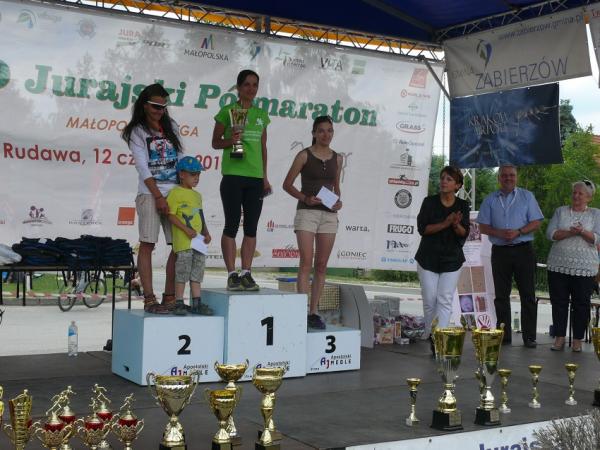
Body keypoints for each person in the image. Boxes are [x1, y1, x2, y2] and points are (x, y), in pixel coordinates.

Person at [122, 83, 183, 314]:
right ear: (145, 105)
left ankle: (170, 296)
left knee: (179, 245)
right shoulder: (137, 131)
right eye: (156, 106)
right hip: (149, 193)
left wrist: (183, 191)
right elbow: (142, 167)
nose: (160, 111)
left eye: (164, 106)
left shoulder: (171, 125)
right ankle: (149, 298)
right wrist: (158, 196)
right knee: (147, 243)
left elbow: (181, 157)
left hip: (174, 191)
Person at [211, 70, 271, 291]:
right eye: (246, 84)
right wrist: (231, 140)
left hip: (255, 177)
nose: (251, 89)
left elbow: (263, 147)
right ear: (238, 87)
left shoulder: (261, 115)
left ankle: (246, 272)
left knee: (251, 227)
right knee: (232, 224)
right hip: (233, 175)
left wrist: (265, 177)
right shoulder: (228, 111)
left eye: (255, 85)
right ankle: (231, 274)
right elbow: (215, 142)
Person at [282, 116, 343, 330]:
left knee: (322, 264)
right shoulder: (304, 155)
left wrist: (338, 202)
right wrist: (305, 198)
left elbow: (336, 186)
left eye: (330, 130)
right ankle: (301, 310)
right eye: (322, 131)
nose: (326, 134)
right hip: (307, 212)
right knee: (306, 261)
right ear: (314, 133)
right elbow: (287, 184)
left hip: (329, 215)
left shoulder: (338, 158)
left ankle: (314, 312)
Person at [477, 164, 543, 348]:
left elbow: (536, 222)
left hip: (523, 250)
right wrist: (499, 233)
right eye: (504, 175)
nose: (508, 178)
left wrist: (519, 232)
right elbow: (482, 227)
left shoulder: (527, 196)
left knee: (528, 295)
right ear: (499, 178)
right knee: (501, 296)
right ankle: (504, 335)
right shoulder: (490, 199)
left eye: (511, 175)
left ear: (516, 177)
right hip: (500, 252)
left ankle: (529, 337)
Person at [415, 166, 469, 348]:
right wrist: (446, 223)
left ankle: (439, 340)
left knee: (445, 299)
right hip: (428, 258)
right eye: (443, 178)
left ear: (457, 185)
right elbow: (423, 229)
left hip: (452, 259)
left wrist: (455, 225)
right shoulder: (429, 202)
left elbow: (464, 233)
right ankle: (431, 331)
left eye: (449, 179)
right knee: (430, 299)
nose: (444, 181)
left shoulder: (462, 205)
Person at [546, 180, 600, 352]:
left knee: (581, 304)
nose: (576, 196)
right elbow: (550, 234)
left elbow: (597, 238)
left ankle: (577, 340)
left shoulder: (595, 214)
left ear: (589, 197)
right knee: (558, 302)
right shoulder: (560, 211)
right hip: (558, 265)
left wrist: (582, 231)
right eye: (574, 192)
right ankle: (559, 338)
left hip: (585, 268)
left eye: (580, 193)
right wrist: (570, 232)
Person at [166, 156, 213, 316]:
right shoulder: (175, 193)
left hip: (198, 241)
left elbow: (200, 215)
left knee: (197, 271)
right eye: (193, 174)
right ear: (182, 174)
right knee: (182, 271)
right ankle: (179, 302)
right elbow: (171, 215)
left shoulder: (197, 195)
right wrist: (185, 229)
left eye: (198, 174)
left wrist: (206, 232)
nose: (196, 178)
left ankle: (196, 302)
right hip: (184, 242)